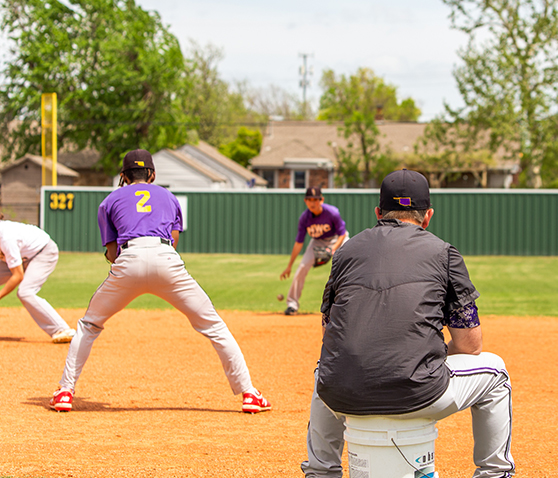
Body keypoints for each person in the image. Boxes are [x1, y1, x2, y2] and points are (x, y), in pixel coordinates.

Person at [302, 169, 515, 477]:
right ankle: (494, 474)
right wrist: (428, 352)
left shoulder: (345, 252)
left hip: (344, 394)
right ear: (427, 216)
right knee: (496, 372)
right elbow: (471, 345)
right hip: (418, 393)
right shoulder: (444, 252)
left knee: (328, 368)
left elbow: (329, 333)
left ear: (378, 213)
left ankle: (320, 472)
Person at [49, 149, 271, 413]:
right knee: (214, 326)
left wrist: (129, 266)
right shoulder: (169, 196)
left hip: (128, 258)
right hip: (166, 257)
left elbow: (111, 253)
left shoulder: (109, 200)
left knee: (89, 326)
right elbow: (174, 242)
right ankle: (249, 394)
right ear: (152, 174)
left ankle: (65, 392)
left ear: (123, 175)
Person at [0, 218, 75, 343]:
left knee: (25, 291)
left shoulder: (6, 237)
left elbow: (18, 276)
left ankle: (61, 329)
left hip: (43, 252)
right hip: (23, 256)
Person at [280, 187, 348, 316]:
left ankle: (349, 302)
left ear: (321, 200)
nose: (313, 203)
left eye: (315, 199)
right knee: (302, 267)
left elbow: (342, 234)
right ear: (305, 201)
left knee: (349, 263)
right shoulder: (304, 218)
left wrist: (332, 249)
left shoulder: (332, 212)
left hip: (336, 240)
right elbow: (299, 242)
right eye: (309, 199)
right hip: (317, 242)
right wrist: (289, 266)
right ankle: (292, 305)